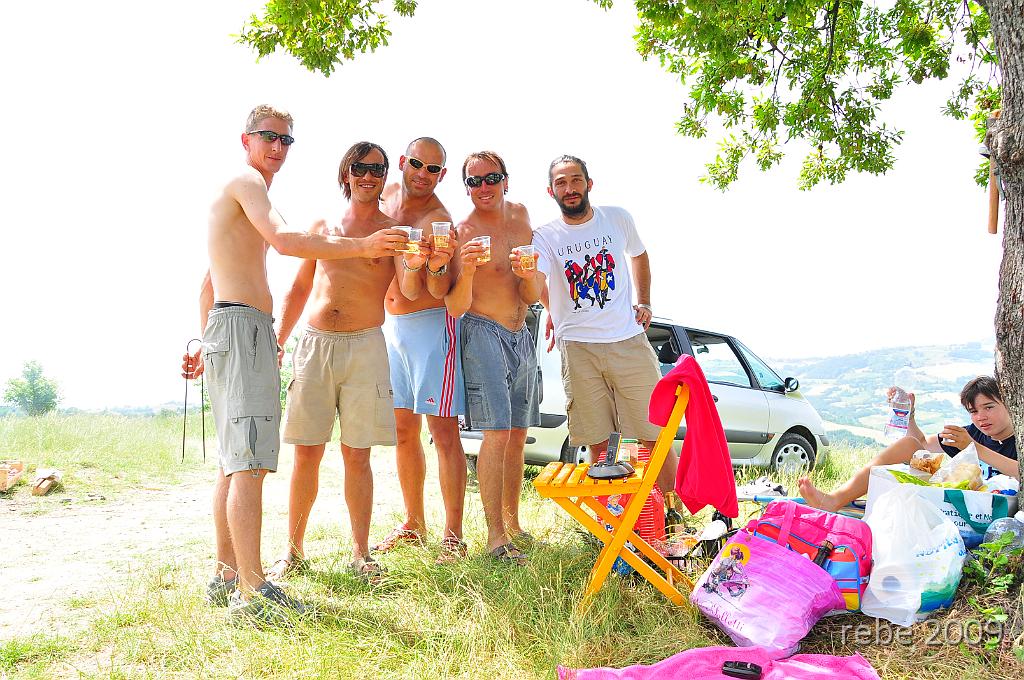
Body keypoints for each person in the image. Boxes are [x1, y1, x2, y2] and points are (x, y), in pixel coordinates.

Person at [180, 108, 407, 623]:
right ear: (246, 140)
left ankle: (226, 575)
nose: (278, 147)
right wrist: (364, 246)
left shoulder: (249, 194)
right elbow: (285, 243)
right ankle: (253, 591)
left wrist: (207, 339)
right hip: (241, 327)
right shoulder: (246, 183)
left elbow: (209, 279)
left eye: (286, 139)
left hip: (235, 327)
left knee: (235, 461)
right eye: (269, 137)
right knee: (249, 463)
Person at [267, 141, 428, 582]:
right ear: (346, 174)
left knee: (358, 455)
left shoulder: (395, 232)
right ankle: (292, 551)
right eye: (359, 168)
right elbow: (300, 287)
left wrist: (417, 263)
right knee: (306, 453)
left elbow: (408, 292)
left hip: (365, 347)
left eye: (376, 169)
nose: (368, 176)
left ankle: (361, 553)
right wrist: (279, 340)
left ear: (385, 176)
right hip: (315, 344)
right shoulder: (324, 226)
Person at [531, 155, 678, 494]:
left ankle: (671, 513)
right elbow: (536, 278)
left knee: (654, 435)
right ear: (551, 191)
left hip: (628, 341)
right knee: (599, 442)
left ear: (589, 184)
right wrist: (552, 310)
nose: (570, 188)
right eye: (561, 183)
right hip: (578, 348)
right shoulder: (545, 235)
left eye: (576, 180)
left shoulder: (617, 218)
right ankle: (612, 516)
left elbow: (639, 254)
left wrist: (645, 302)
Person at [372, 137, 467, 561]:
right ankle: (413, 523)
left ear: (442, 175)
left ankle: (453, 535)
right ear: (402, 162)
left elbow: (438, 289)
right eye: (416, 164)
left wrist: (437, 262)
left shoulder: (438, 220)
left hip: (431, 327)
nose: (422, 174)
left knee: (443, 432)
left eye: (432, 169)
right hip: (392, 328)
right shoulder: (387, 195)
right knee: (402, 430)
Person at [445, 151, 543, 562]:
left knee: (518, 433)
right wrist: (467, 271)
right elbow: (454, 307)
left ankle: (513, 523)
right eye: (474, 181)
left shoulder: (520, 216)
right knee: (497, 434)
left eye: (491, 178)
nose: (483, 187)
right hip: (482, 330)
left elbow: (530, 293)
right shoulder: (461, 232)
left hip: (522, 332)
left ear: (506, 179)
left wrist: (529, 276)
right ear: (465, 186)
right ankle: (495, 537)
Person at [799, 375, 1019, 512]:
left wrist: (972, 448)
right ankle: (834, 499)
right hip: (957, 503)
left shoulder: (1017, 439)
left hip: (994, 512)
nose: (981, 417)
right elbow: (920, 444)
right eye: (973, 411)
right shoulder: (970, 433)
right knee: (908, 444)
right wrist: (909, 415)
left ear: (1010, 403)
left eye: (989, 407)